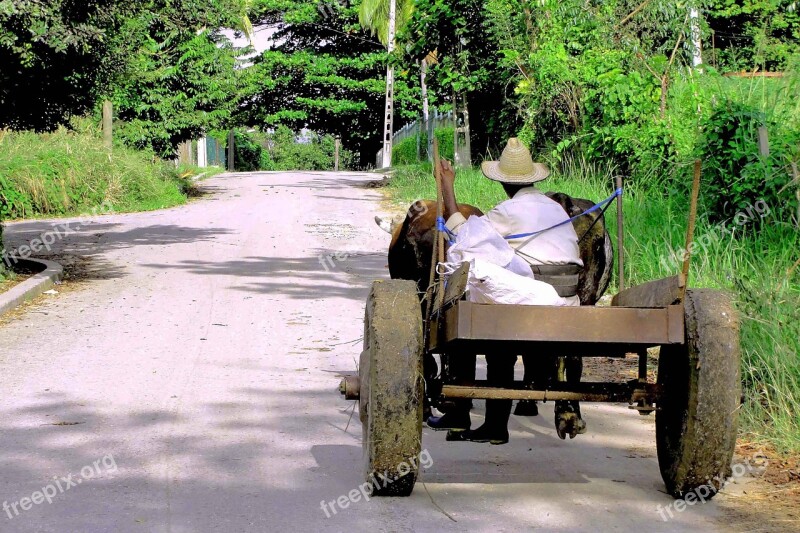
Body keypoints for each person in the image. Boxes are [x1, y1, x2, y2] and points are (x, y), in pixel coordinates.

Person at [426, 137, 584, 445]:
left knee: (486, 322)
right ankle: (491, 421)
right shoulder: (556, 208)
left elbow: (464, 235)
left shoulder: (507, 210)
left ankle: (491, 424)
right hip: (568, 298)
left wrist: (447, 187)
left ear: (501, 181)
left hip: (534, 298)